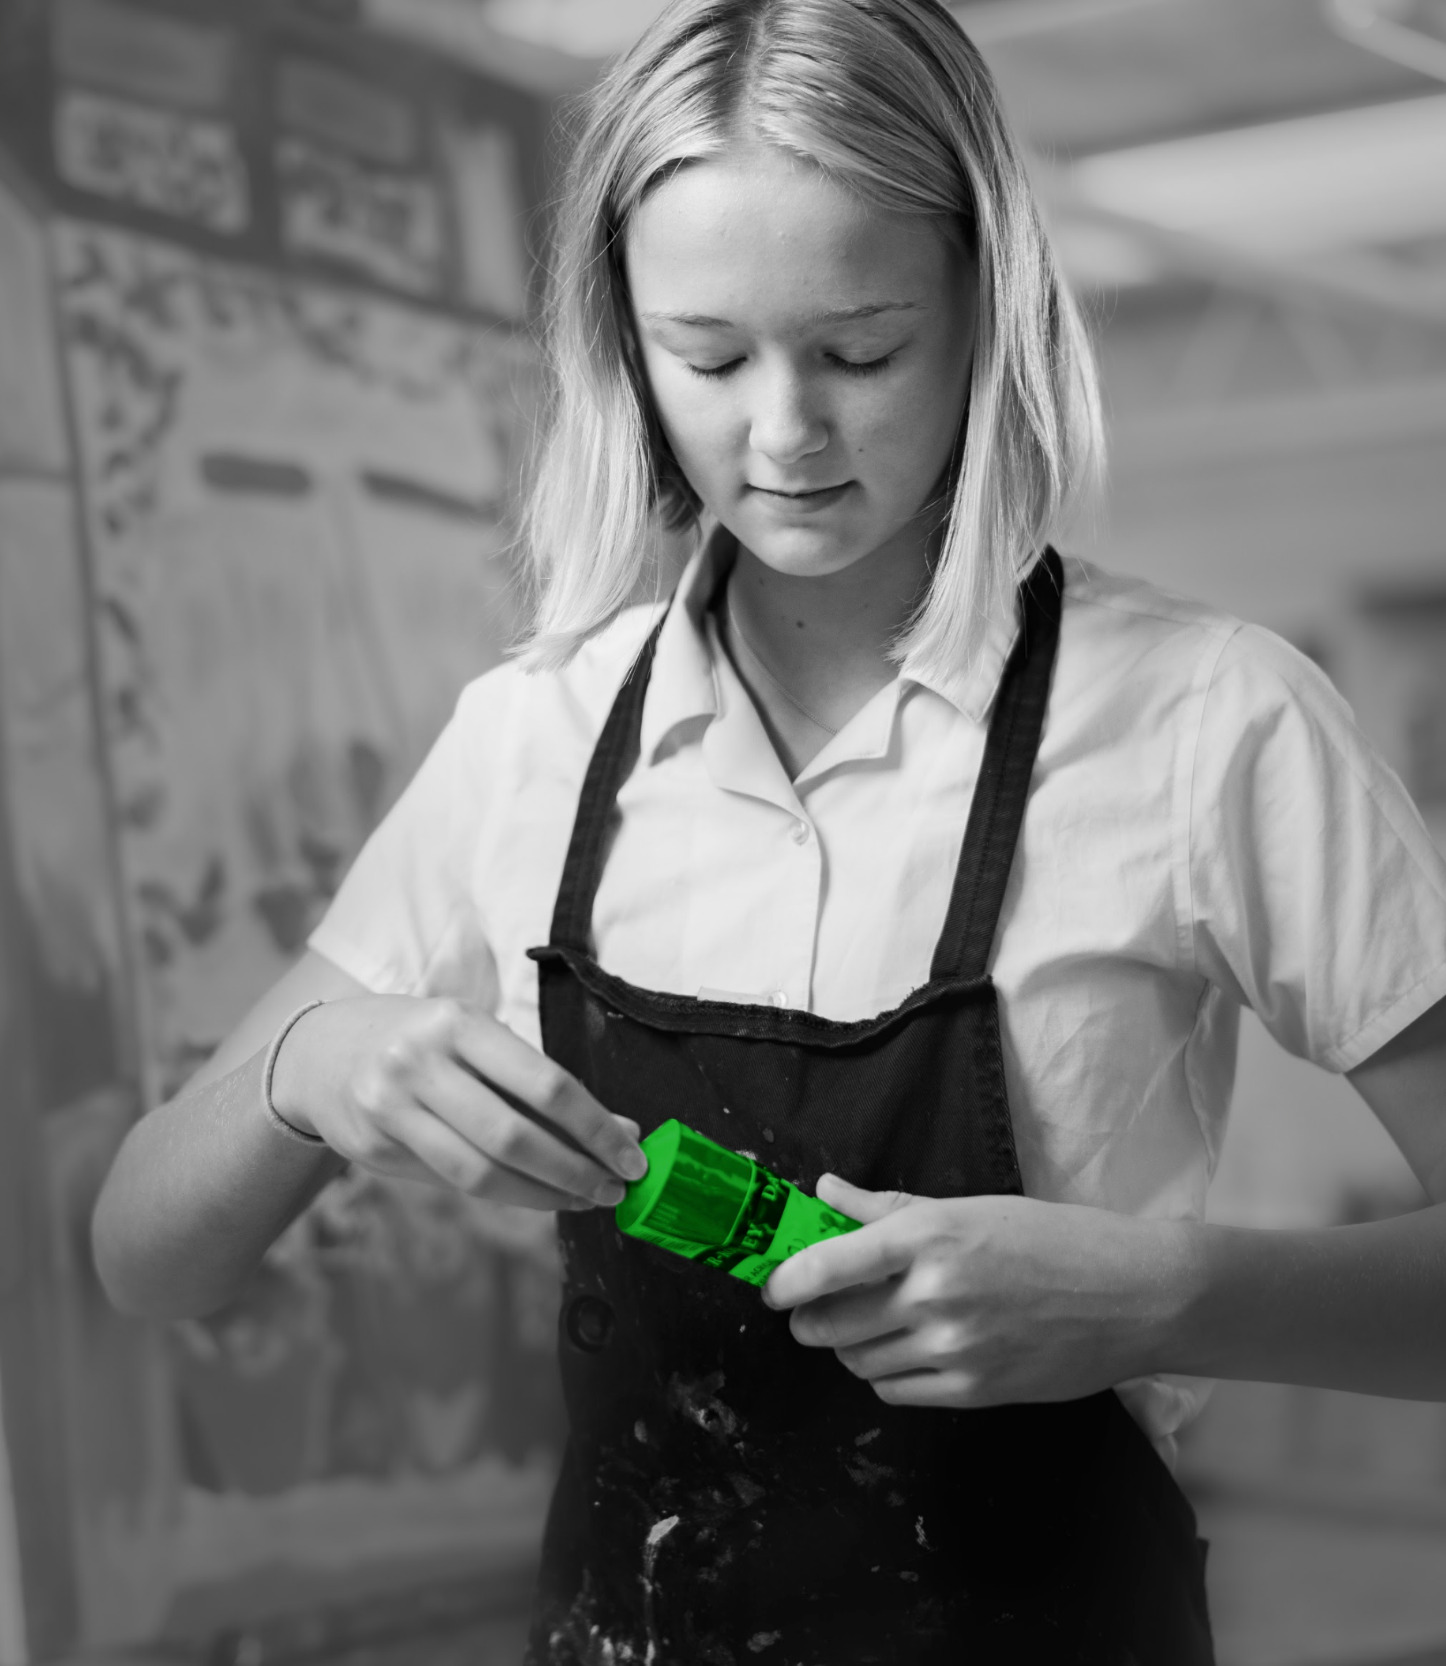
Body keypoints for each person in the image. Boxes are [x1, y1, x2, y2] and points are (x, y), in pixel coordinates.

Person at [92, 1, 1446, 1661]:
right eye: (708, 357)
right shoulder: (533, 735)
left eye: (860, 349)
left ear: (985, 307)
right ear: (624, 344)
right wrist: (311, 1070)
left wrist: (1158, 1295)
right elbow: (146, 1255)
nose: (785, 436)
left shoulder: (1208, 720)